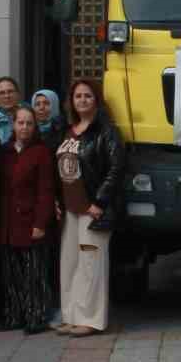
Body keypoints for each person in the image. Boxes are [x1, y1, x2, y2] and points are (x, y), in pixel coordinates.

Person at [53, 79, 125, 337]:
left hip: (92, 210)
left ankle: (91, 319)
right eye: (77, 96)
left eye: (87, 96)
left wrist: (100, 202)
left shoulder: (106, 132)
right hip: (70, 210)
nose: (82, 100)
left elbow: (116, 168)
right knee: (70, 264)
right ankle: (71, 315)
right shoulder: (67, 130)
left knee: (90, 264)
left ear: (97, 100)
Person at [0, 105, 56, 334]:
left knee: (34, 274)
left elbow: (46, 191)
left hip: (31, 220)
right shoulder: (5, 151)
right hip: (7, 221)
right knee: (12, 273)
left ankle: (37, 316)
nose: (24, 127)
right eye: (20, 122)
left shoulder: (41, 152)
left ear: (35, 127)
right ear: (13, 125)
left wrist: (40, 223)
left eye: (29, 123)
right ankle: (15, 315)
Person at [0, 76, 21, 144]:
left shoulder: (28, 115)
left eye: (10, 91)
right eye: (2, 93)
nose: (7, 96)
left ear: (18, 94)